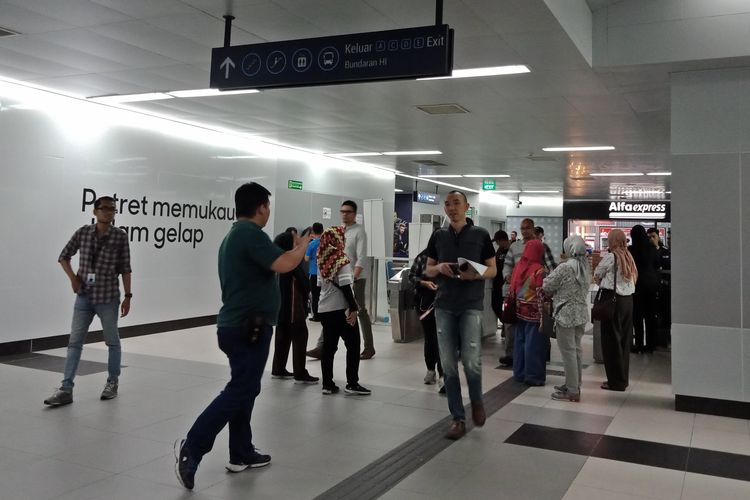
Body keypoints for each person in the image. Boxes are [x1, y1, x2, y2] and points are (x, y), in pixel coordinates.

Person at [174, 183, 311, 490]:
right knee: (240, 389)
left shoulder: (235, 236)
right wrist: (303, 246)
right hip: (247, 328)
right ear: (261, 207)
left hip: (241, 326)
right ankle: (192, 447)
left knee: (245, 388)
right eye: (268, 206)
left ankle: (241, 451)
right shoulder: (250, 234)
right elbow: (287, 263)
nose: (269, 211)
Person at [44, 196, 132, 407]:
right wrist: (73, 278)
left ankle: (112, 382)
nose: (109, 213)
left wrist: (128, 296)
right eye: (104, 209)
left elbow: (125, 269)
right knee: (75, 342)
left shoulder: (120, 236)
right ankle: (66, 388)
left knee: (112, 341)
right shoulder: (83, 232)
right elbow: (64, 256)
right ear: (95, 211)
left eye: (113, 210)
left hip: (108, 297)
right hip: (84, 296)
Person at [425, 190, 496, 440]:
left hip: (470, 305)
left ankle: (476, 400)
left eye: (457, 203)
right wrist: (439, 268)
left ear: (467, 207)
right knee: (448, 364)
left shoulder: (480, 235)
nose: (452, 208)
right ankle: (457, 418)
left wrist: (475, 274)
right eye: (448, 204)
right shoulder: (438, 235)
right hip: (444, 305)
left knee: (471, 360)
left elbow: (493, 270)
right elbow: (428, 269)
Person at [307, 201, 374, 360]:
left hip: (355, 278)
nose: (344, 214)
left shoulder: (359, 232)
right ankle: (321, 346)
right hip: (338, 278)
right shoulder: (338, 231)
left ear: (354, 213)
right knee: (334, 311)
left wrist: (354, 278)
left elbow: (361, 258)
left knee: (360, 311)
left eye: (348, 211)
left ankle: (369, 347)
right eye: (342, 211)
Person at [317, 226, 371, 396]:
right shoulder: (341, 259)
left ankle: (327, 384)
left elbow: (318, 285)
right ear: (338, 240)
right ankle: (352, 383)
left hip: (325, 309)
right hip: (341, 309)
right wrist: (354, 308)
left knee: (329, 348)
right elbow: (346, 286)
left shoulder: (322, 259)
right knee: (353, 345)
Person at [500, 218, 556, 367]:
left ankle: (540, 355)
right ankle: (511, 355)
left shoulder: (541, 246)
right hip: (514, 294)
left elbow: (552, 269)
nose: (524, 231)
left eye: (527, 228)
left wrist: (543, 282)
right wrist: (507, 276)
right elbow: (507, 265)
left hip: (534, 295)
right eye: (522, 228)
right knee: (511, 325)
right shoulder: (515, 246)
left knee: (537, 327)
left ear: (533, 229)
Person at [542, 236, 591, 402]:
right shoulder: (585, 266)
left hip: (565, 315)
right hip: (581, 314)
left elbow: (547, 285)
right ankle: (574, 384)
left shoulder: (565, 268)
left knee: (568, 353)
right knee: (576, 350)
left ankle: (571, 390)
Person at [270, 231, 319, 384]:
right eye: (295, 240)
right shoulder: (291, 262)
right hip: (293, 307)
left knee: (282, 336)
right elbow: (304, 284)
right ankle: (300, 372)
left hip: (280, 307)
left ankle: (278, 368)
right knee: (300, 335)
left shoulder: (279, 260)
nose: (298, 241)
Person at [594, 229, 637, 392]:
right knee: (624, 341)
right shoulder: (629, 256)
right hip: (628, 301)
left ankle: (615, 382)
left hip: (612, 300)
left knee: (611, 342)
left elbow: (597, 273)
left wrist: (600, 280)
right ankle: (622, 379)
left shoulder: (611, 257)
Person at [509, 240, 548, 387]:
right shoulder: (539, 269)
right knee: (534, 345)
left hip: (518, 311)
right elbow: (541, 292)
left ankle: (519, 373)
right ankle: (533, 376)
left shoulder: (519, 266)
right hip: (534, 313)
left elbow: (512, 287)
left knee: (520, 342)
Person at [408, 246, 444, 393]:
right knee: (430, 337)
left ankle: (443, 374)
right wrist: (424, 283)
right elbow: (412, 276)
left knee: (442, 338)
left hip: (444, 302)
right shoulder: (422, 257)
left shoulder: (447, 256)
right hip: (424, 302)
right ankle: (431, 370)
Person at [629, 225, 660, 353]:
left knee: (637, 316)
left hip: (637, 286)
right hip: (651, 286)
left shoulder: (631, 250)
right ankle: (651, 345)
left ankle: (639, 345)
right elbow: (657, 265)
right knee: (650, 316)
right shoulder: (652, 248)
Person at [304, 223, 324, 322]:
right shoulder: (325, 243)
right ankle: (324, 314)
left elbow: (306, 258)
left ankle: (316, 316)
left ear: (313, 231)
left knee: (315, 295)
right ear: (322, 230)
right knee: (323, 294)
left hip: (314, 273)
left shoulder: (311, 244)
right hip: (324, 273)